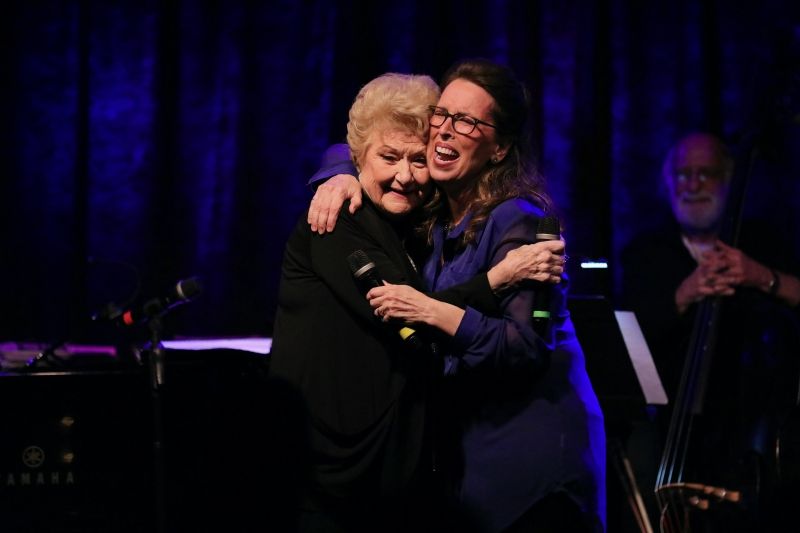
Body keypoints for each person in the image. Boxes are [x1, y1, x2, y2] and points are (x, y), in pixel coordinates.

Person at [307, 59, 606, 533]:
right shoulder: (432, 221)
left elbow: (526, 349)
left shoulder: (518, 219)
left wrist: (434, 312)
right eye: (441, 116)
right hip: (467, 468)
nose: (445, 131)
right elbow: (359, 144)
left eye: (466, 121)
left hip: (531, 469)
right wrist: (339, 171)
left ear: (499, 147)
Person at [620, 132, 800, 531]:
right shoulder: (645, 251)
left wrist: (761, 276)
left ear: (729, 181)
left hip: (754, 434)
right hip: (666, 429)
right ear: (668, 185)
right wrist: (684, 294)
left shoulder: (761, 239)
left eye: (707, 174)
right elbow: (628, 338)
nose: (694, 185)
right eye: (684, 175)